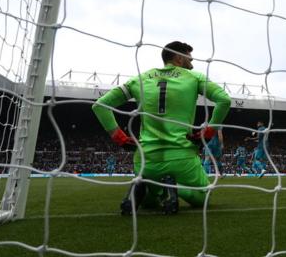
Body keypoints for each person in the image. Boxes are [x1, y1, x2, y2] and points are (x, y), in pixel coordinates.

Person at [92, 41, 231, 215]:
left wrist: (120, 138)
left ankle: (146, 187)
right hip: (181, 157)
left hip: (146, 159)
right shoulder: (194, 77)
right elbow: (224, 100)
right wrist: (209, 132)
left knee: (150, 202)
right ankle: (174, 188)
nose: (192, 64)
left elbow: (100, 105)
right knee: (204, 197)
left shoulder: (139, 79)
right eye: (189, 59)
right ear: (179, 58)